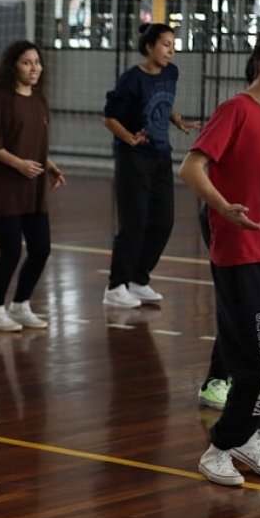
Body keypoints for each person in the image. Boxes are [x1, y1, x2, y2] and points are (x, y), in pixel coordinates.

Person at [178, 26, 260, 487]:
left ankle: (252, 437)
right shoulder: (237, 110)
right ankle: (221, 447)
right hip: (242, 255)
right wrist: (222, 207)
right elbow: (192, 166)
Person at [102, 23, 200, 308]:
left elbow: (162, 102)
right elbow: (109, 117)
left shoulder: (172, 73)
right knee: (134, 223)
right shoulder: (131, 79)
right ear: (149, 47)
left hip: (161, 155)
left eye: (173, 44)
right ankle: (115, 286)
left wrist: (176, 119)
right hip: (134, 158)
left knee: (163, 221)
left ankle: (138, 279)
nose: (171, 50)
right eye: (165, 44)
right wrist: (129, 139)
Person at [0, 40, 66, 332]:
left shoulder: (39, 101)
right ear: (12, 66)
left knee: (41, 248)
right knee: (11, 251)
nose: (34, 68)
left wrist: (50, 166)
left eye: (37, 62)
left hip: (33, 189)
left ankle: (20, 305)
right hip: (6, 189)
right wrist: (19, 164)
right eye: (26, 62)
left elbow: (35, 144)